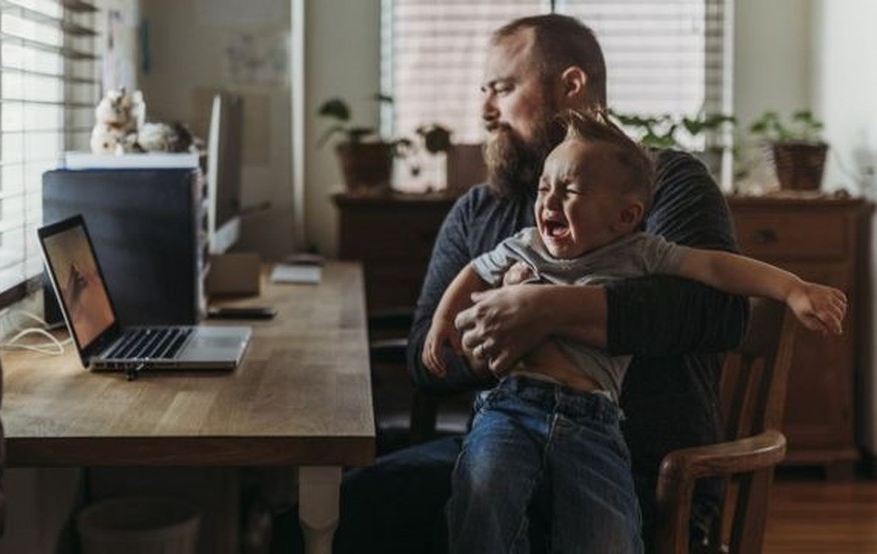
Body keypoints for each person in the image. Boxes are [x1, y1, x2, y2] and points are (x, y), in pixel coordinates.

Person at [270, 13, 744, 554]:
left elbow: (717, 311)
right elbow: (424, 356)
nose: (486, 111)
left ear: (571, 86)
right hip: (502, 448)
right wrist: (488, 341)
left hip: (641, 470)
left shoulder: (667, 182)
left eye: (502, 88)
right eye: (484, 92)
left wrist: (544, 310)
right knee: (308, 523)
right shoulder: (478, 211)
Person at [422, 109, 845, 553]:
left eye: (570, 191)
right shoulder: (525, 246)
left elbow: (715, 267)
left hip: (593, 419)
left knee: (610, 535)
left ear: (625, 216)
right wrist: (442, 321)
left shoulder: (640, 254)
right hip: (512, 407)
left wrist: (792, 288)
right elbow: (474, 270)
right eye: (544, 188)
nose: (549, 202)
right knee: (482, 498)